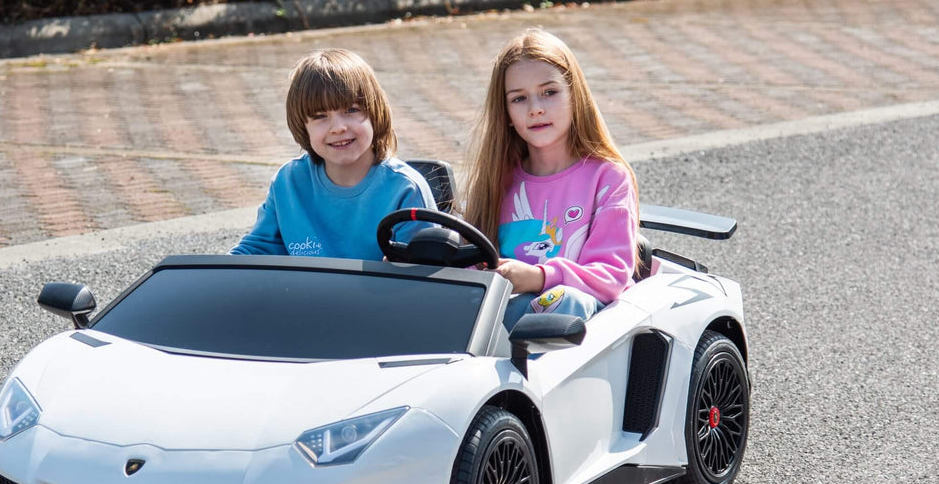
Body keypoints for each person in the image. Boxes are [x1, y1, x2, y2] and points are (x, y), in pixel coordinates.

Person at [462, 29, 638, 323]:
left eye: (549, 92)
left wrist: (537, 277)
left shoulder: (608, 178)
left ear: (575, 95)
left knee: (565, 303)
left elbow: (610, 275)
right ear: (505, 112)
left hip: (590, 328)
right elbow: (472, 265)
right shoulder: (497, 178)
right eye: (519, 99)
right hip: (503, 320)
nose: (536, 109)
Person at [231, 48, 435, 259]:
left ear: (375, 113)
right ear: (303, 126)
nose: (338, 128)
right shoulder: (288, 182)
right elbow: (255, 251)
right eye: (320, 116)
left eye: (352, 110)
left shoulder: (406, 190)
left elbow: (416, 276)